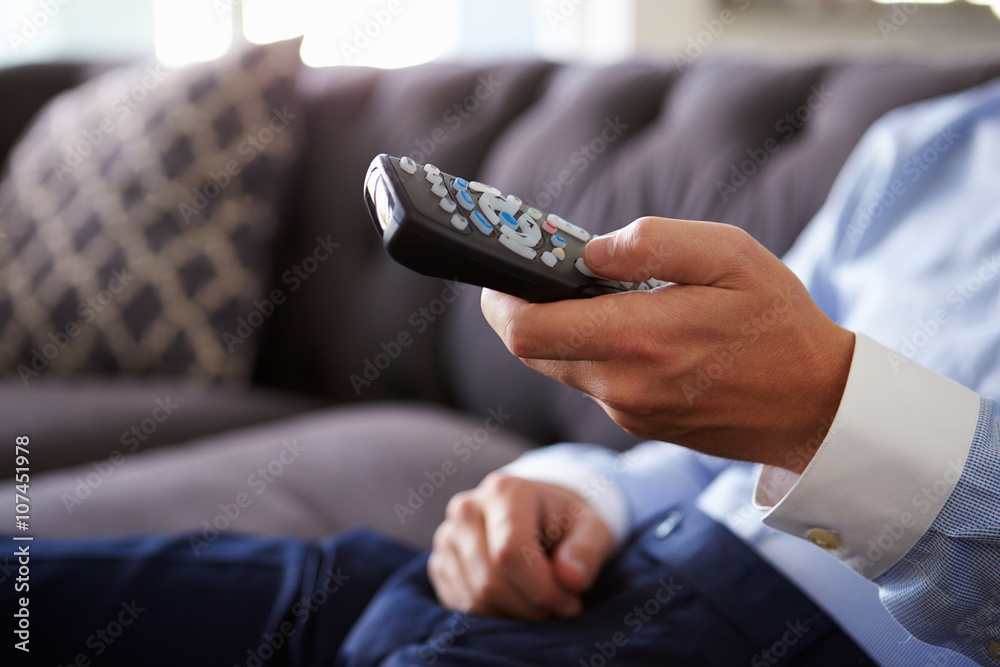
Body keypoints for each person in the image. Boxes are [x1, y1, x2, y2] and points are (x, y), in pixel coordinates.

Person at [9, 76, 1000, 666]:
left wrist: (828, 410)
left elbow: (805, 400)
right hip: (557, 578)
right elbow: (750, 430)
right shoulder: (930, 146)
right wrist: (578, 486)